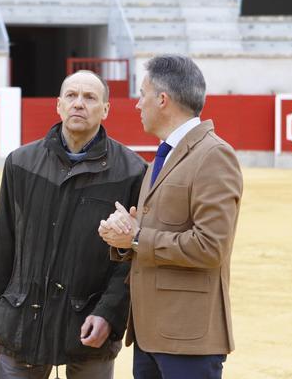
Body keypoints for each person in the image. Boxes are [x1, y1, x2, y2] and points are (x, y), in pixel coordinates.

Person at [0, 70, 146, 378]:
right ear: (58, 105)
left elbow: (131, 258)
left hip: (90, 325)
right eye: (71, 96)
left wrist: (108, 313)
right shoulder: (20, 163)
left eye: (90, 97)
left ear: (105, 109)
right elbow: (3, 242)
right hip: (22, 322)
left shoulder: (133, 172)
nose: (79, 103)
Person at [98, 55, 243, 379]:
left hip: (189, 339)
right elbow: (154, 234)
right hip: (152, 333)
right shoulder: (165, 154)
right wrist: (125, 235)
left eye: (142, 94)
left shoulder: (213, 155)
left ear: (162, 100)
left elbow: (210, 246)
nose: (137, 105)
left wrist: (136, 237)